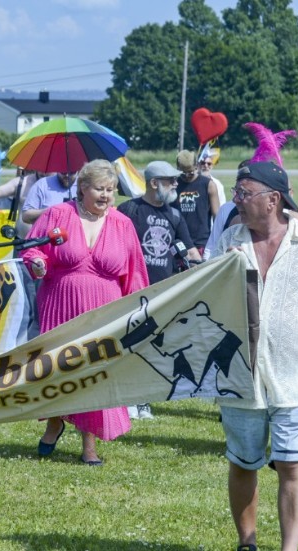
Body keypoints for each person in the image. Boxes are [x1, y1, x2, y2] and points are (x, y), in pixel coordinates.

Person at [214, 161, 298, 551]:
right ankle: (248, 542)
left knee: (292, 463)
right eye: (236, 193)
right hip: (241, 377)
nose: (236, 201)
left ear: (273, 199)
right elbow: (206, 303)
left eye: (244, 193)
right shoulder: (229, 242)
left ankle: (290, 548)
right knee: (243, 463)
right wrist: (227, 268)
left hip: (297, 376)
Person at [21, 160, 148, 465]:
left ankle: (89, 445)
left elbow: (135, 273)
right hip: (61, 306)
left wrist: (139, 312)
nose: (106, 195)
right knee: (59, 368)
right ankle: (55, 420)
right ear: (82, 188)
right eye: (100, 189)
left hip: (105, 311)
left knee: (95, 373)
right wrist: (38, 262)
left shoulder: (121, 223)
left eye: (110, 189)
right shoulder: (57, 215)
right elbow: (33, 248)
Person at [117, 160, 200, 420]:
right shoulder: (128, 210)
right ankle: (125, 399)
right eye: (170, 180)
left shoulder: (175, 215)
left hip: (161, 295)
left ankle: (143, 401)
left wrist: (207, 268)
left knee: (153, 349)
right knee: (129, 348)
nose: (176, 184)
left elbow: (191, 252)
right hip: (130, 292)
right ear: (154, 183)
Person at [172, 150, 221, 254]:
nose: (187, 175)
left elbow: (217, 216)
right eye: (183, 173)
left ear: (196, 166)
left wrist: (217, 240)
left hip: (201, 242)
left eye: (190, 172)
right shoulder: (174, 185)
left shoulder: (208, 185)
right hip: (178, 241)